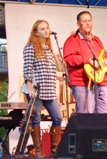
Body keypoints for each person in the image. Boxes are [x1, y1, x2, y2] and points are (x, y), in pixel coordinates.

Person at [23, 20, 63, 158]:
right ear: (36, 32)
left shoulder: (49, 49)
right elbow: (27, 69)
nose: (46, 31)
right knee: (36, 119)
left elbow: (49, 70)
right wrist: (30, 88)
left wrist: (57, 80)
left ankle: (53, 152)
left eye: (47, 28)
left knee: (58, 118)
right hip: (37, 89)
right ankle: (39, 153)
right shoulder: (30, 48)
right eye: (42, 29)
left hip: (49, 89)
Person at [63, 11, 107, 114]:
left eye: (89, 21)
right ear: (78, 24)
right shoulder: (72, 40)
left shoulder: (96, 40)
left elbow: (102, 58)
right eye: (84, 21)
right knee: (86, 116)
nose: (88, 23)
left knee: (106, 115)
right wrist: (87, 60)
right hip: (82, 83)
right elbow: (69, 58)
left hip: (100, 83)